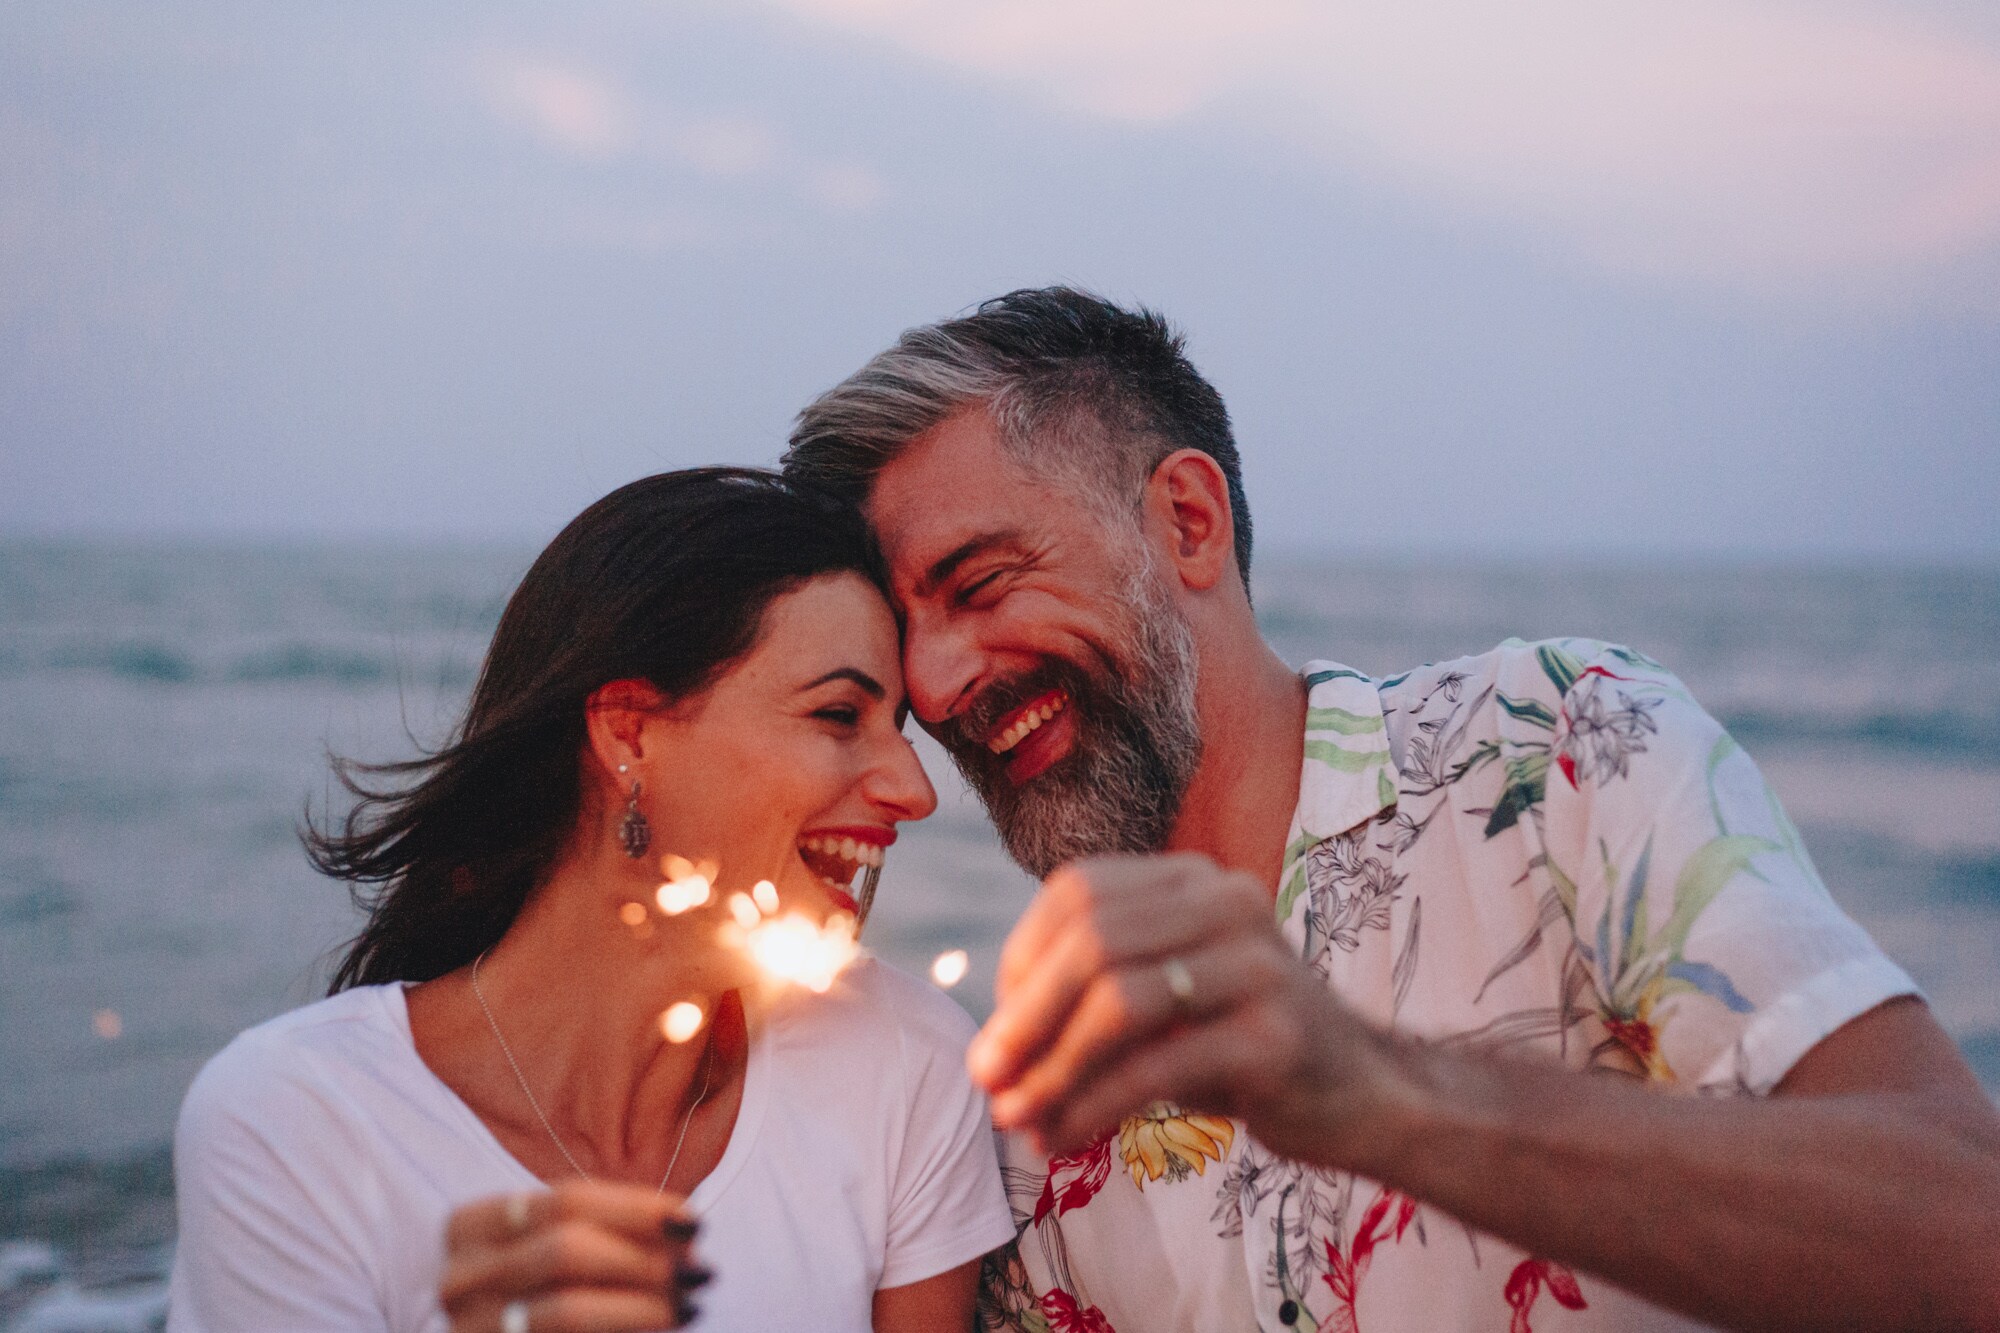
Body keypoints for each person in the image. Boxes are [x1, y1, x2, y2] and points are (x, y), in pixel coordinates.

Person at [782, 289, 2000, 1333]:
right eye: (906, 641)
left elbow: (1967, 1232)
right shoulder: (1036, 1114)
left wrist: (1375, 1093)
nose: (935, 689)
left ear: (1186, 524)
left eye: (982, 583)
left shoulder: (1554, 756)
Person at [167, 468, 1016, 1332]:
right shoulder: (295, 1123)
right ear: (628, 732)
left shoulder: (904, 1063)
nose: (914, 790)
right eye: (840, 715)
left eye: (901, 732)